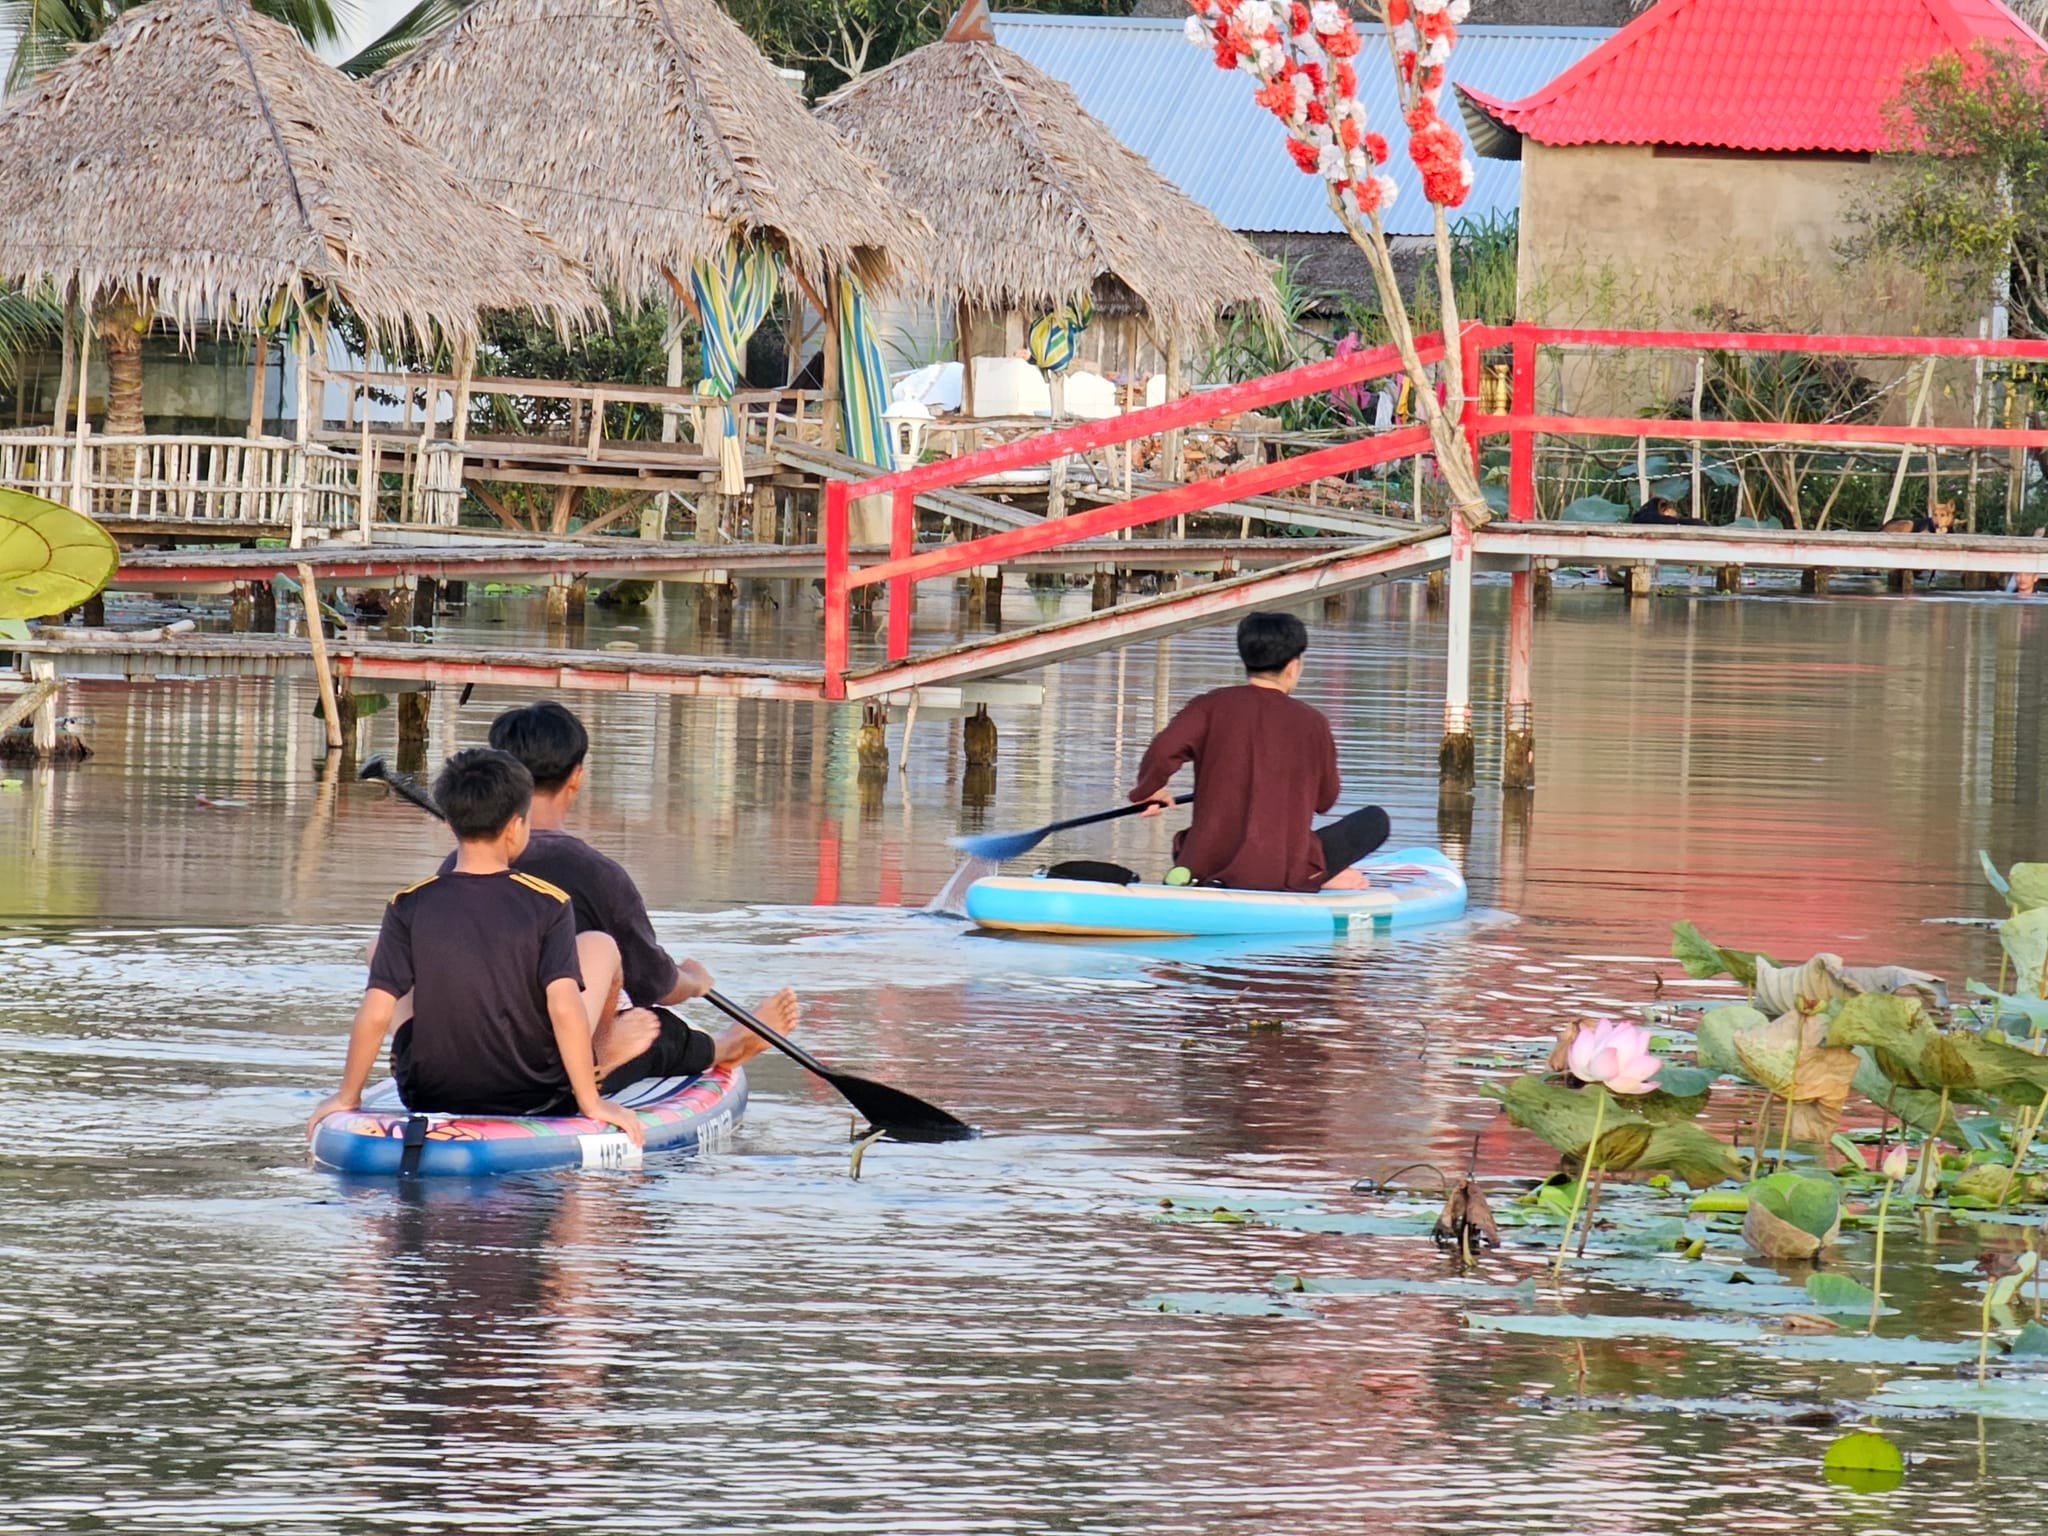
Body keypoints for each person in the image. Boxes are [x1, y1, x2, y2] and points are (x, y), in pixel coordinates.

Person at [305, 747, 646, 1142]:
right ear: (516, 827)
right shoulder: (550, 903)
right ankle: (604, 1061)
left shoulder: (409, 902)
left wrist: (348, 1096)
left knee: (383, 950)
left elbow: (377, 1012)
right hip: (534, 1095)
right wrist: (590, 1102)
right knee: (600, 946)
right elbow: (564, 1005)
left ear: (449, 823)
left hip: (425, 1092)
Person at [466, 701, 796, 1084]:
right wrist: (691, 982)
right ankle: (724, 1047)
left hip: (471, 1041)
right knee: (655, 1027)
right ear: (576, 777)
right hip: (553, 1049)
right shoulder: (594, 872)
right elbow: (651, 984)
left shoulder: (461, 864)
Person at [1127, 611, 1387, 892]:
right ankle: (1322, 873)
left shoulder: (1209, 706)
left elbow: (1163, 750)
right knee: (1375, 821)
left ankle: (1198, 873)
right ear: (1293, 666)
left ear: (1245, 659)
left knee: (1202, 839)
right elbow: (1325, 800)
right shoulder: (1313, 722)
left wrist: (1148, 790)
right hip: (1282, 873)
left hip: (1204, 865)